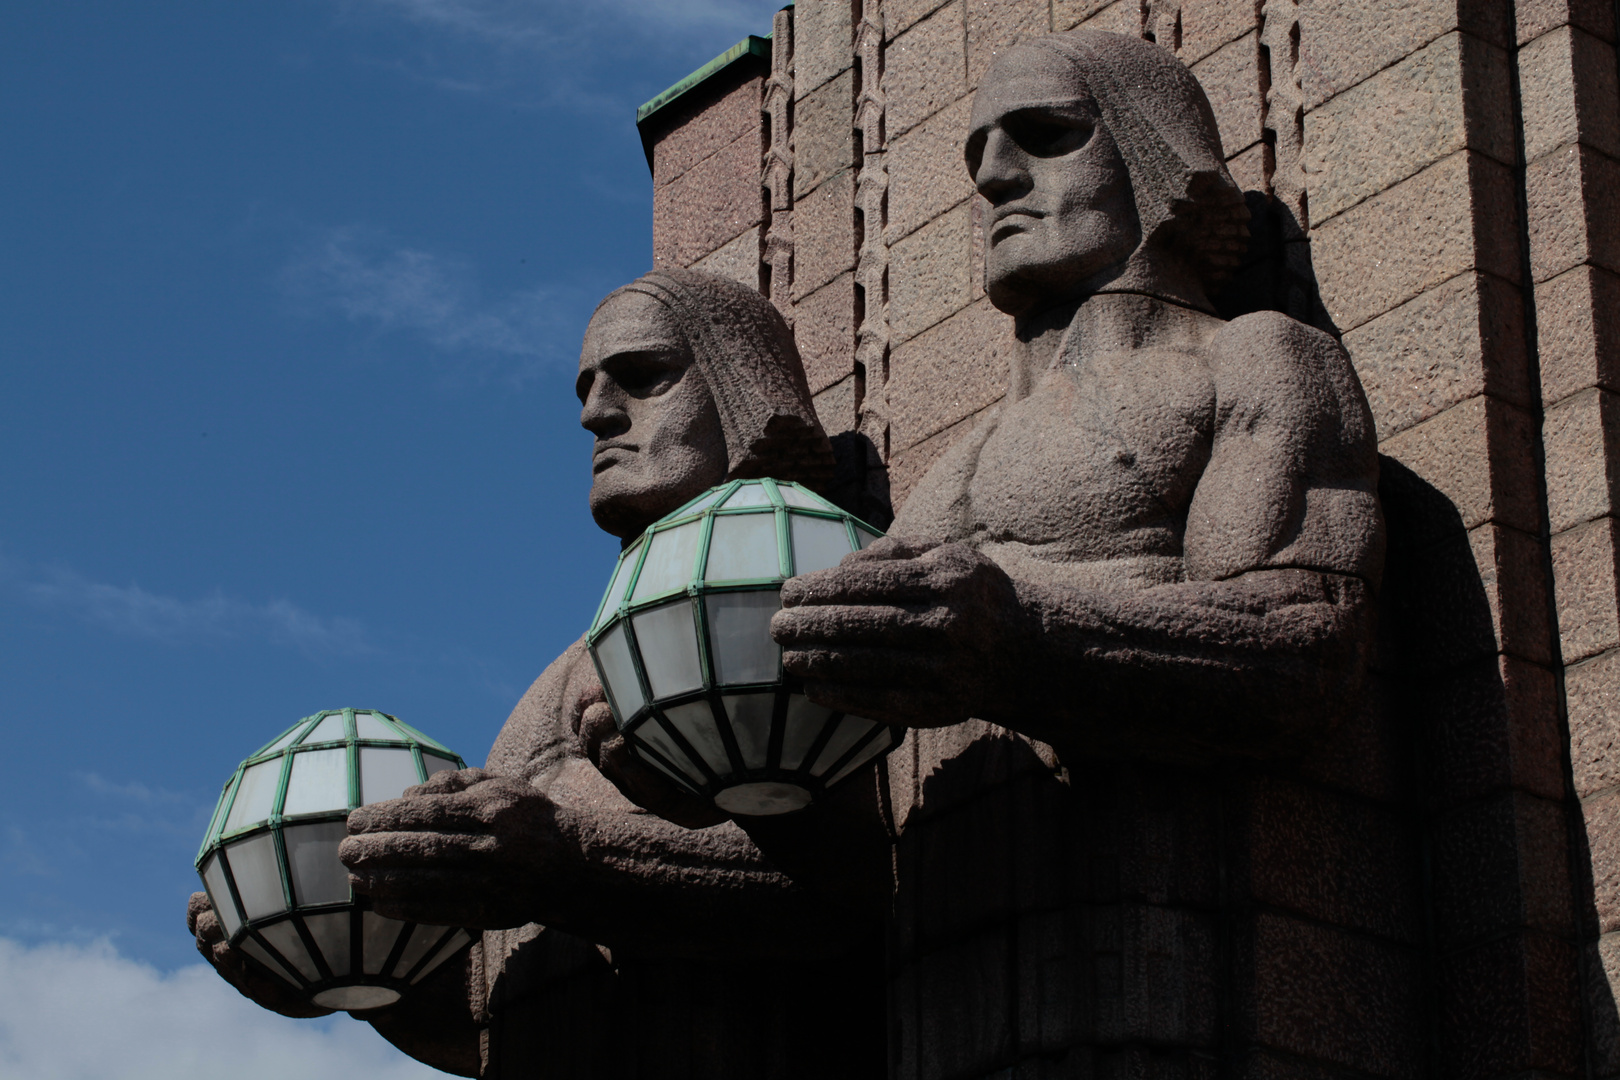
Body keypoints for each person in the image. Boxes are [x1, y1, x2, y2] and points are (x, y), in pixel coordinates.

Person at [599, 29, 1384, 1077]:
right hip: (943, 1012)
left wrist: (1017, 629)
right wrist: (691, 753)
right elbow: (837, 817)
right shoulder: (952, 473)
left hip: (1185, 967)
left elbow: (1301, 645)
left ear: (1164, 156)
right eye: (977, 156)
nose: (998, 177)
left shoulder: (1258, 358)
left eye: (1047, 136)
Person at [189, 268, 889, 1079]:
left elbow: (861, 880)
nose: (596, 413)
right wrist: (366, 963)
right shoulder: (561, 677)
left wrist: (571, 861)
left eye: (642, 376)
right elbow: (505, 1005)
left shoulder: (811, 586)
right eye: (586, 388)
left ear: (739, 386)